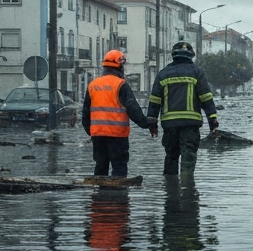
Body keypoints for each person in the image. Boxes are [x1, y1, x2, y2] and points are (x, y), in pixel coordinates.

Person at [147, 40, 219, 178]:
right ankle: (188, 190)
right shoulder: (197, 73)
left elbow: (154, 101)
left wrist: (152, 124)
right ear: (191, 56)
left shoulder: (163, 74)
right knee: (188, 159)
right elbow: (206, 99)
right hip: (190, 125)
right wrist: (213, 123)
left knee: (171, 157)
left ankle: (170, 191)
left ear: (173, 55)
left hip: (169, 126)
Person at [82, 49, 152, 179]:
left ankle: (99, 195)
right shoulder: (121, 85)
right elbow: (133, 109)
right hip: (117, 136)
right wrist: (146, 124)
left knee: (100, 166)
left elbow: (85, 113)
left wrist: (91, 131)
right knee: (119, 167)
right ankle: (119, 196)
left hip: (98, 135)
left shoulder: (93, 85)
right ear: (120, 66)